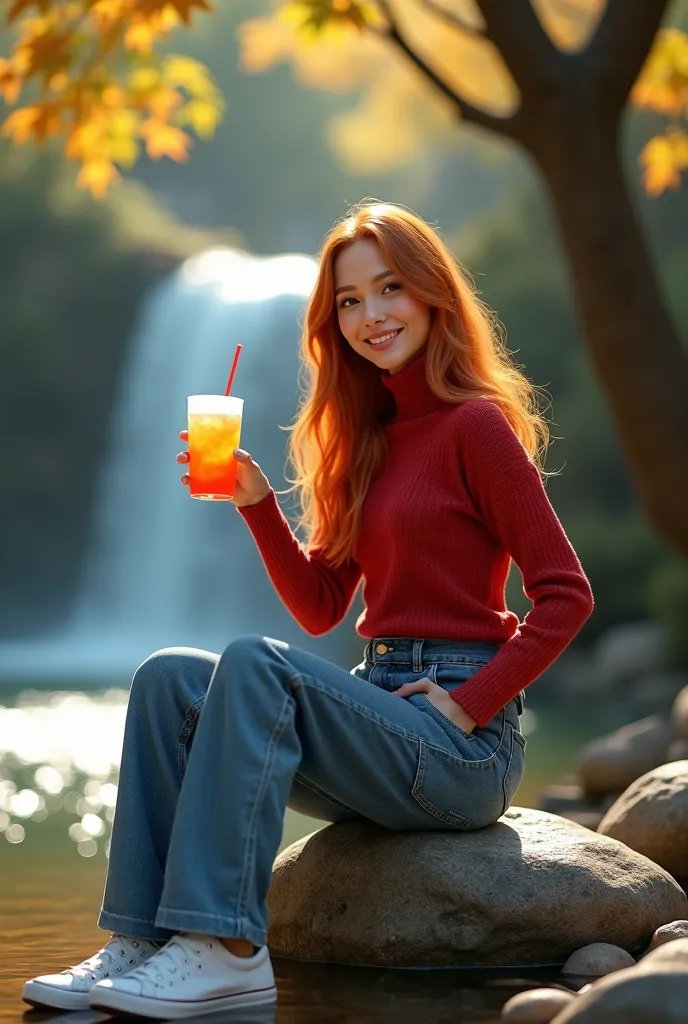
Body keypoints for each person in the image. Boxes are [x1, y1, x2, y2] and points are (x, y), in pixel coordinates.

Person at [22, 201, 594, 1019]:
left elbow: (566, 594)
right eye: (350, 302)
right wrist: (257, 502)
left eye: (389, 288)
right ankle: (140, 943)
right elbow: (323, 606)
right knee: (167, 681)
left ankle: (226, 950)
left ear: (433, 294)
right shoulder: (367, 440)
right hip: (384, 712)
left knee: (256, 660)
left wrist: (470, 705)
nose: (371, 315)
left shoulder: (477, 428)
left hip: (459, 747)